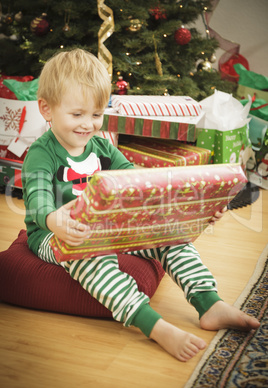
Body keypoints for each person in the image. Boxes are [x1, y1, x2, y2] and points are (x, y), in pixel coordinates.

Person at [22, 49, 260, 362]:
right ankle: (154, 326)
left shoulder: (101, 145)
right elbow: (37, 201)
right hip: (55, 235)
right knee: (93, 255)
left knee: (172, 236)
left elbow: (135, 181)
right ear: (47, 109)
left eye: (96, 115)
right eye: (77, 115)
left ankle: (209, 303)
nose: (88, 125)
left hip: (108, 225)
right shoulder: (41, 154)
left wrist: (192, 209)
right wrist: (55, 220)